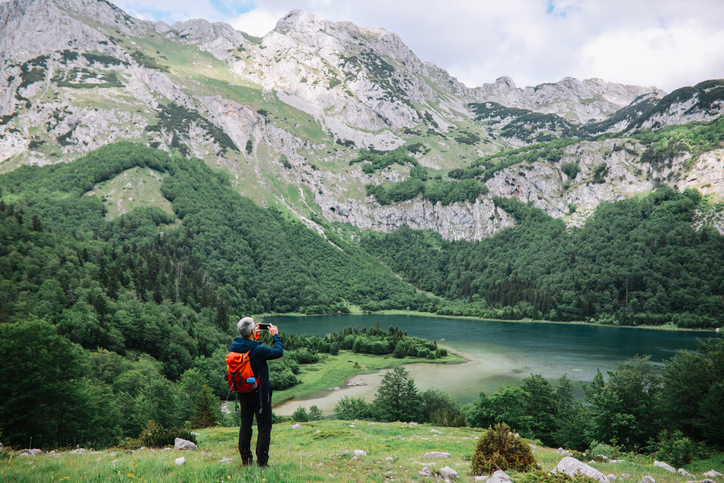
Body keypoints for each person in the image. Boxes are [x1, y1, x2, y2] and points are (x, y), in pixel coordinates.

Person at [229, 317, 283, 467]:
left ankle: (246, 460)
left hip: (243, 392)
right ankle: (262, 463)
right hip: (260, 395)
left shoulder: (235, 345)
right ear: (252, 330)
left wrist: (254, 337)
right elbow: (278, 352)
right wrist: (275, 335)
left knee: (245, 425)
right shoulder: (258, 350)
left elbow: (250, 350)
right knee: (264, 427)